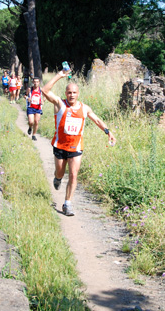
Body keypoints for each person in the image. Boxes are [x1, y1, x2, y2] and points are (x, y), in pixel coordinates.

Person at [42, 69, 116, 216]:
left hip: (76, 147)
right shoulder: (59, 104)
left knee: (74, 175)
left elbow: (97, 120)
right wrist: (59, 76)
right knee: (60, 172)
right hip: (60, 145)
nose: (72, 95)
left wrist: (108, 132)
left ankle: (67, 204)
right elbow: (45, 90)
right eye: (69, 92)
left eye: (74, 92)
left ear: (78, 94)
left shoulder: (84, 108)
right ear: (66, 93)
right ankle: (57, 178)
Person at [26, 77, 43, 141]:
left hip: (38, 108)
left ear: (39, 82)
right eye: (34, 82)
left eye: (37, 82)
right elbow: (25, 95)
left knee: (36, 122)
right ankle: (30, 127)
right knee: (31, 121)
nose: (35, 83)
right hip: (30, 107)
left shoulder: (41, 90)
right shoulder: (30, 89)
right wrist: (28, 98)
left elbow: (45, 97)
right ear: (33, 82)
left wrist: (43, 101)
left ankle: (34, 135)